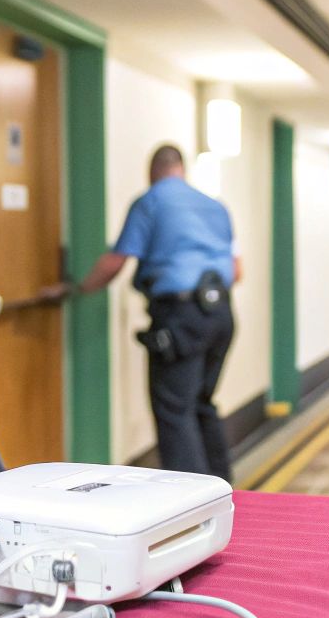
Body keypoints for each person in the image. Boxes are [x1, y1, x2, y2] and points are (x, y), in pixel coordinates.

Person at [47, 144, 241, 480]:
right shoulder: (215, 206)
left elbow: (115, 262)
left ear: (153, 171)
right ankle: (226, 490)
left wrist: (76, 288)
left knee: (174, 411)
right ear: (182, 169)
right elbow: (236, 270)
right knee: (201, 403)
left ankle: (190, 502)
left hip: (181, 316)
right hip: (221, 314)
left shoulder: (150, 201)